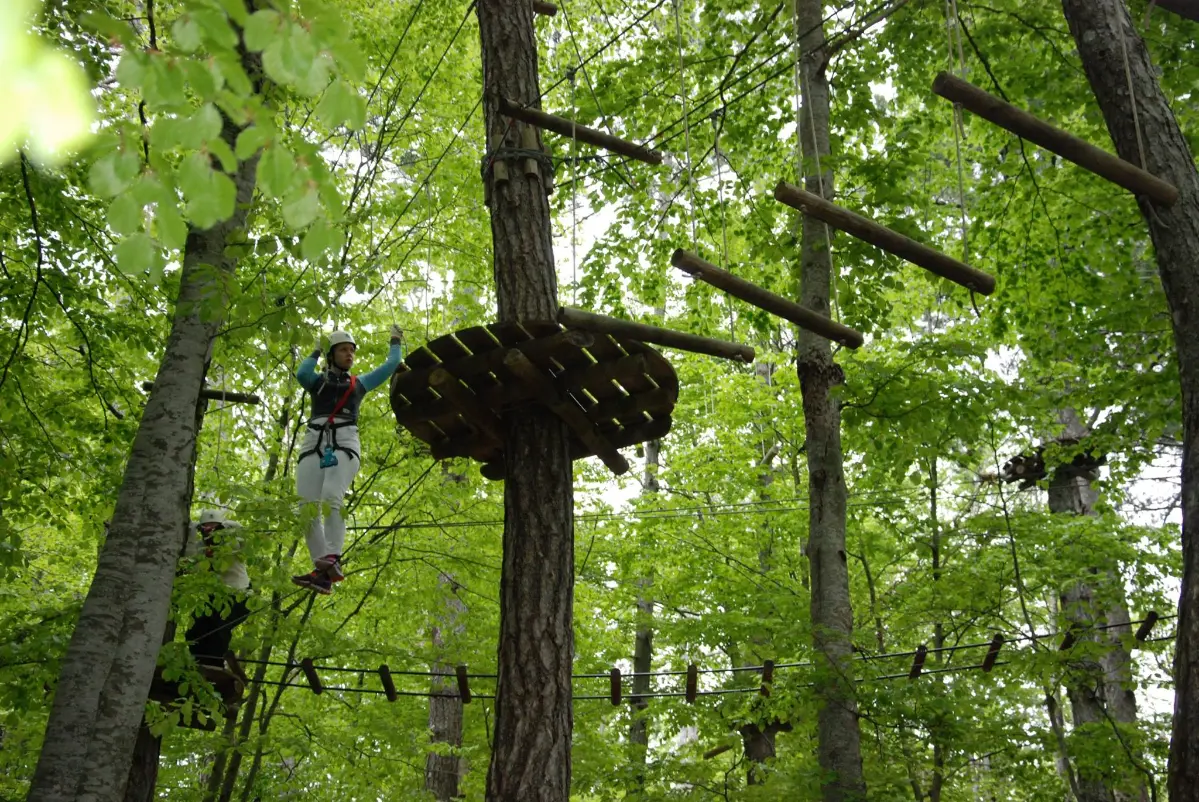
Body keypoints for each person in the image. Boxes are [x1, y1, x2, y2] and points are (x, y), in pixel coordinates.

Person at [292, 326, 403, 594]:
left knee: (332, 495)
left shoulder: (358, 384)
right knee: (305, 508)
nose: (349, 354)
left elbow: (391, 365)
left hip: (343, 444)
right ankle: (322, 571)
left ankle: (333, 556)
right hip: (314, 443)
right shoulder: (317, 382)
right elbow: (302, 374)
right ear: (331, 355)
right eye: (343, 350)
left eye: (352, 351)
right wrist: (316, 349)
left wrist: (395, 340)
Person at [184, 509, 251, 667]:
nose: (210, 533)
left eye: (214, 528)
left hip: (239, 596)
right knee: (195, 631)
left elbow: (245, 539)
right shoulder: (200, 547)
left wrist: (229, 525)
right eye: (206, 529)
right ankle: (197, 664)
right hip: (213, 598)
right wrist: (192, 533)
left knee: (219, 628)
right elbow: (189, 565)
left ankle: (215, 666)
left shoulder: (232, 543)